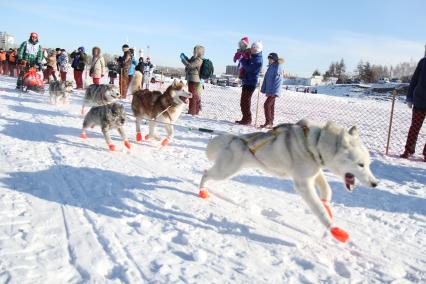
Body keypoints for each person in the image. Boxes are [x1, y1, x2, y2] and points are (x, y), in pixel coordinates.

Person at [400, 56, 426, 161]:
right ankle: (408, 150)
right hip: (420, 100)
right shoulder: (423, 62)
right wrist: (410, 98)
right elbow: (414, 80)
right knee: (414, 127)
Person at [235, 41, 263, 125]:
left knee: (245, 101)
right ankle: (245, 118)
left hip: (251, 82)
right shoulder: (253, 56)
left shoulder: (258, 59)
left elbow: (249, 68)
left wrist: (242, 59)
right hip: (246, 81)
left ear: (258, 50)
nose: (252, 49)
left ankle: (247, 119)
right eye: (252, 48)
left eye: (254, 48)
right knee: (243, 101)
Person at [260, 53, 284, 129]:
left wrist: (274, 92)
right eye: (269, 59)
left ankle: (268, 122)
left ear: (274, 59)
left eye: (271, 59)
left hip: (274, 91)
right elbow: (267, 79)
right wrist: (265, 90)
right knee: (271, 106)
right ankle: (270, 123)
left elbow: (278, 80)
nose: (269, 60)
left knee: (266, 105)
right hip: (270, 91)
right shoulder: (270, 67)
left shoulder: (278, 66)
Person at [181, 45, 205, 115]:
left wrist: (183, 59)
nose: (193, 52)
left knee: (193, 96)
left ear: (198, 51)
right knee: (195, 96)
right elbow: (189, 62)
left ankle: (192, 112)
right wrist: (185, 57)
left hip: (195, 80)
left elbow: (189, 66)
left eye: (194, 50)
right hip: (192, 79)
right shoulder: (194, 58)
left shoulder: (198, 60)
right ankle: (195, 111)